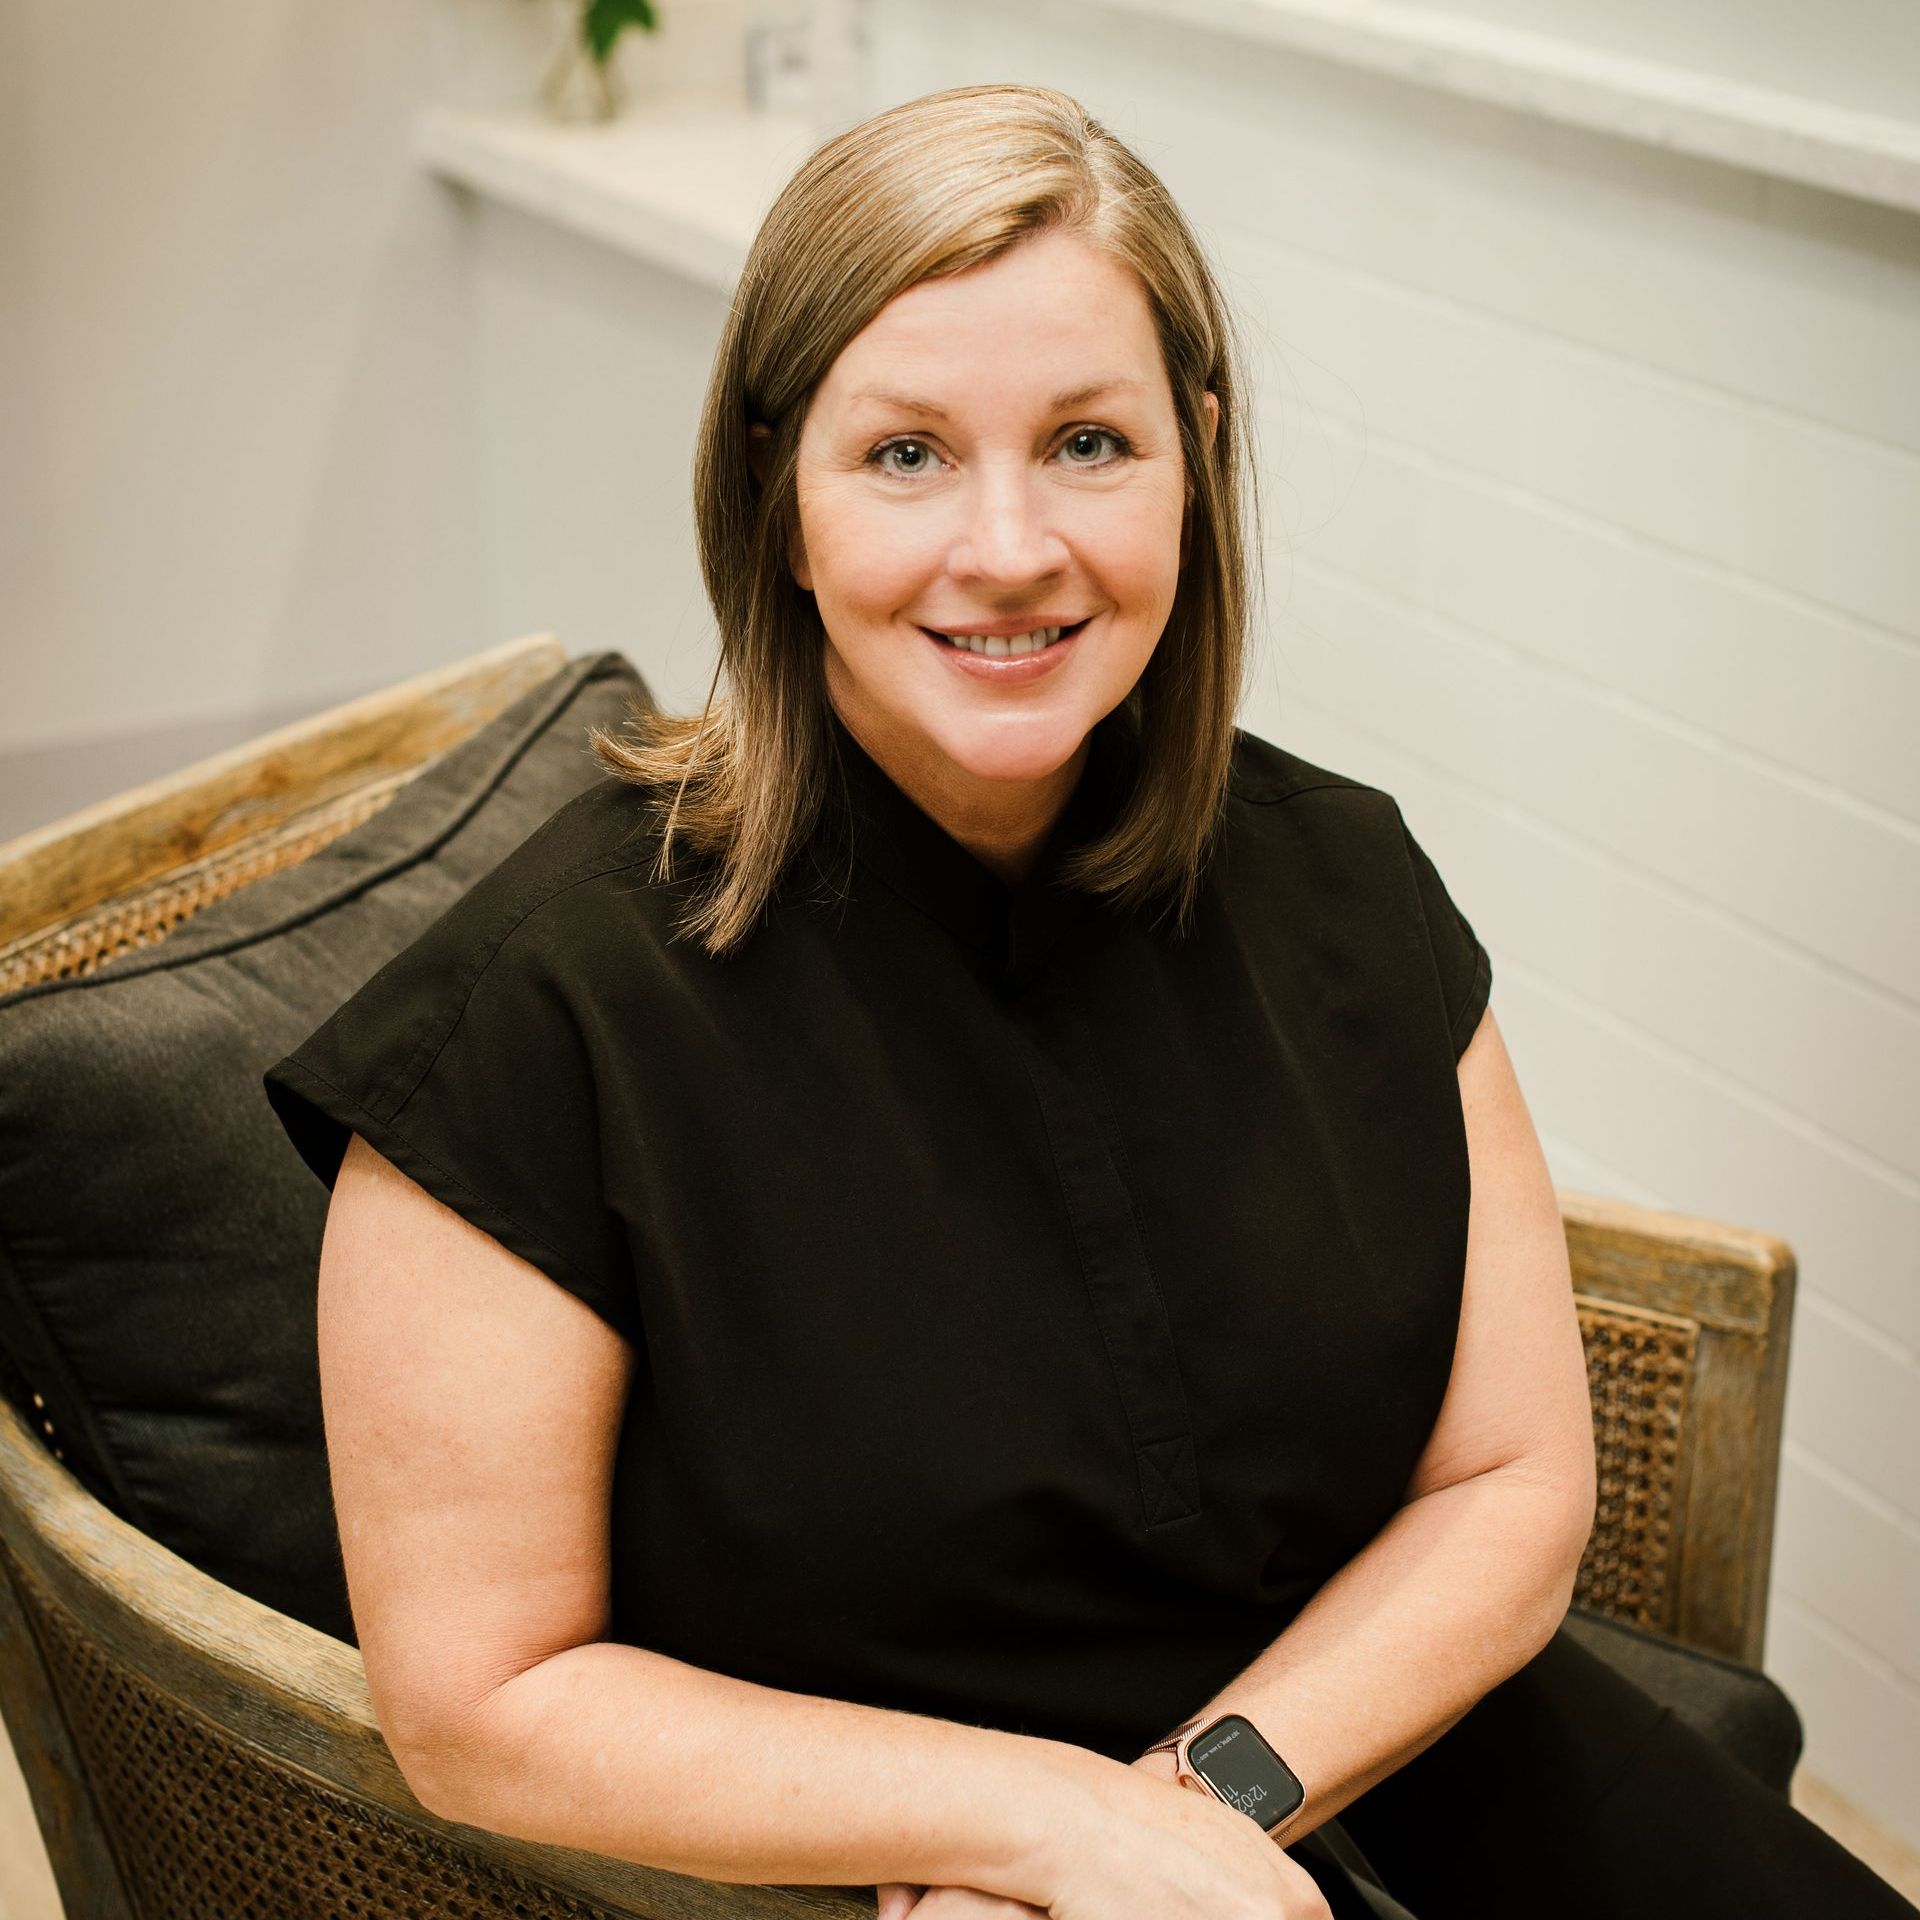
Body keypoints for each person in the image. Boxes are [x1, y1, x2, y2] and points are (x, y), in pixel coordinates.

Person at [263, 82, 1918, 1920]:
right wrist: (1043, 1837)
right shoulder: (537, 1014)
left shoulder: (1347, 881)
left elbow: (1513, 1479)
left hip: (1405, 1759)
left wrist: (1192, 1809)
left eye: (1088, 443)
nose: (1010, 545)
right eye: (903, 454)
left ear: (1194, 458)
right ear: (777, 502)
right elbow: (479, 1700)